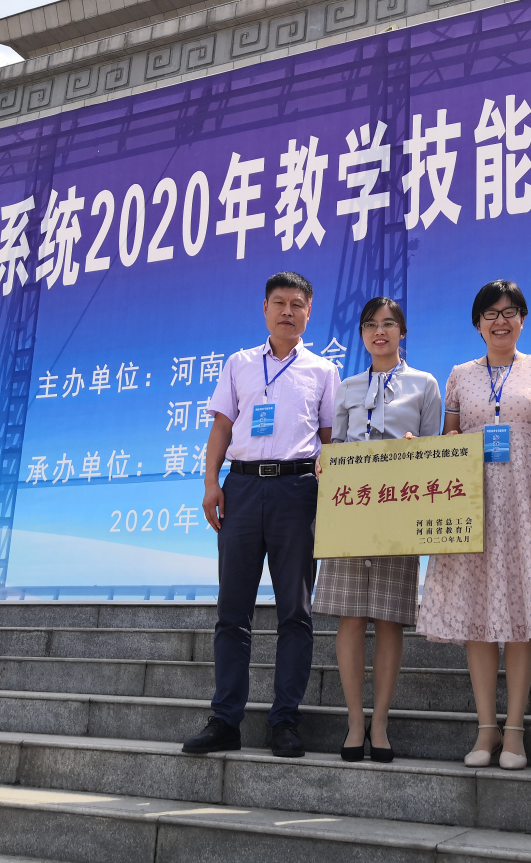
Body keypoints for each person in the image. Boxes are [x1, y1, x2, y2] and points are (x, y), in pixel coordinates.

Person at [417, 280, 531, 771]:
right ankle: (485, 728)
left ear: (523, 319)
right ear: (477, 324)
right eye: (490, 313)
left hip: (527, 502)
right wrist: (419, 448)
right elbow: (449, 439)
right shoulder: (459, 375)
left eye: (510, 312)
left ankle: (514, 731)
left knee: (520, 612)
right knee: (477, 614)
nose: (500, 321)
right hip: (472, 503)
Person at [181, 271, 340, 759]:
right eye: (279, 303)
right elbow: (221, 428)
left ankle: (285, 721)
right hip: (243, 488)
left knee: (296, 611)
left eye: (297, 304)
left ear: (309, 312)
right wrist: (211, 483)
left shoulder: (323, 371)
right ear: (265, 309)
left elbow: (330, 441)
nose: (287, 311)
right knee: (232, 612)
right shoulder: (239, 364)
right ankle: (225, 720)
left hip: (298, 490)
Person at [313, 297, 442, 763]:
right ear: (363, 335)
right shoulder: (347, 386)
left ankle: (381, 723)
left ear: (402, 332)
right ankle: (354, 722)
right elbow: (334, 446)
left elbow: (434, 449)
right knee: (350, 617)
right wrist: (325, 463)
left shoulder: (425, 384)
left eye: (388, 324)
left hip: (398, 511)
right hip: (350, 510)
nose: (379, 332)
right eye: (370, 325)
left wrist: (416, 447)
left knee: (389, 619)